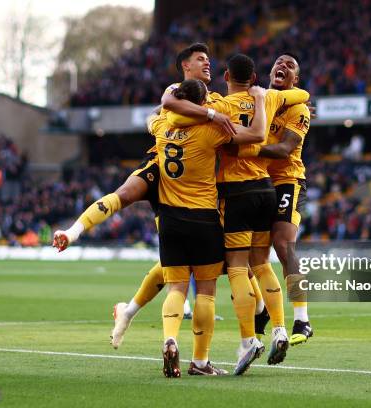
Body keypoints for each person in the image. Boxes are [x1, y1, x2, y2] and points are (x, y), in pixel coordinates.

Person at [52, 43, 234, 349]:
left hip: (178, 177)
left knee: (169, 265)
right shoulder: (185, 93)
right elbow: (167, 105)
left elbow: (160, 113)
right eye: (200, 59)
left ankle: (128, 312)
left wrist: (173, 116)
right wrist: (213, 114)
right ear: (185, 66)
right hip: (168, 173)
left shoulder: (185, 103)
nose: (207, 64)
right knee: (124, 196)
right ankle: (73, 232)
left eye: (208, 59)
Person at [166, 53, 310, 373]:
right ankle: (280, 329)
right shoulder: (268, 98)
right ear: (255, 77)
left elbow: (177, 108)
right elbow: (302, 94)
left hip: (235, 192)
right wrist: (261, 95)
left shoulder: (219, 105)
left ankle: (249, 339)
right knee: (262, 263)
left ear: (227, 74)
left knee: (237, 268)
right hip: (265, 189)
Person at [151, 79, 268, 377]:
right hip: (204, 217)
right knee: (206, 292)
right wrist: (259, 100)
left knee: (177, 287)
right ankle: (200, 362)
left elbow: (153, 115)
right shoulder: (212, 130)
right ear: (202, 104)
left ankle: (169, 338)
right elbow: (256, 134)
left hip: (169, 218)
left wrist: (172, 101)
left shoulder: (162, 126)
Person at [241, 53, 314, 345]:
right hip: (257, 182)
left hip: (287, 182)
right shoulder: (261, 100)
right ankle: (261, 308)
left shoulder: (299, 109)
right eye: (279, 63)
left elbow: (284, 149)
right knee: (243, 255)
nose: (282, 66)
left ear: (295, 80)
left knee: (283, 245)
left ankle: (302, 319)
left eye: (290, 65)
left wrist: (248, 150)